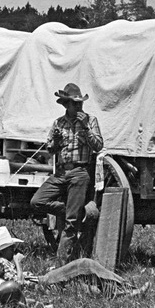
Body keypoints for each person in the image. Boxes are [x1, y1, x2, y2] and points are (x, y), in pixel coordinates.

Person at [30, 83, 103, 264]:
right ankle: (74, 210)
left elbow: (99, 146)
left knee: (70, 224)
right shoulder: (58, 123)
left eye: (80, 104)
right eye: (74, 104)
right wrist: (55, 140)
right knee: (37, 202)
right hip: (62, 172)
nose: (79, 107)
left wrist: (85, 128)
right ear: (66, 105)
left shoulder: (90, 120)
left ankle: (61, 264)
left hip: (80, 171)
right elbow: (51, 149)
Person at [0, 226, 149, 298]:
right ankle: (128, 287)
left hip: (42, 284)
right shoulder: (0, 262)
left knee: (88, 288)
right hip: (43, 282)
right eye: (12, 247)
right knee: (84, 264)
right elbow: (17, 285)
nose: (14, 250)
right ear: (3, 249)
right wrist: (18, 263)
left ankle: (124, 293)